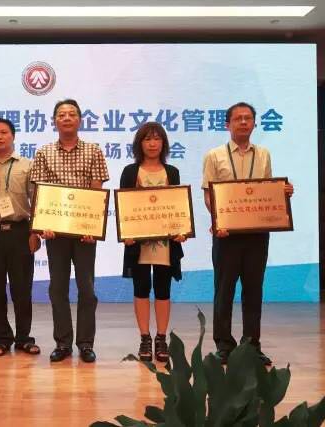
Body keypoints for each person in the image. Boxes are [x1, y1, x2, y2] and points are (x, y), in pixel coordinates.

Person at [202, 102, 294, 366]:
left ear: (254, 123)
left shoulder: (263, 154)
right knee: (224, 290)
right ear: (227, 124)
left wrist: (283, 193)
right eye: (238, 118)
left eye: (248, 118)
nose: (243, 122)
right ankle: (224, 346)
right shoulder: (214, 155)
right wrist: (218, 220)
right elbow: (209, 195)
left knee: (254, 290)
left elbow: (267, 190)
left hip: (257, 234)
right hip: (226, 235)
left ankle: (252, 346)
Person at [29, 99, 109, 363]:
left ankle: (85, 343)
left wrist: (93, 228)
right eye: (61, 114)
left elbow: (96, 192)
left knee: (87, 289)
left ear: (79, 120)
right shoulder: (44, 152)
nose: (66, 118)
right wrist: (42, 226)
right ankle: (63, 343)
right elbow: (39, 193)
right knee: (58, 288)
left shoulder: (93, 151)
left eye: (71, 114)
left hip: (84, 233)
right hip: (56, 234)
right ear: (54, 121)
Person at [0, 118, 42, 357]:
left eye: (4, 132)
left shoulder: (28, 165)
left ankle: (24, 338)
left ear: (13, 136)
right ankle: (0, 338)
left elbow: (37, 201)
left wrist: (35, 232)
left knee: (22, 289)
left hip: (20, 233)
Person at [120, 122, 187, 363]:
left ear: (164, 143)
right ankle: (144, 338)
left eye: (157, 139)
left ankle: (161, 338)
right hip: (138, 243)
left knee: (163, 289)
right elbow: (124, 206)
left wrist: (182, 231)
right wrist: (125, 232)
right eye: (147, 139)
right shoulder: (130, 171)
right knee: (140, 289)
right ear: (139, 144)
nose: (152, 143)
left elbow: (178, 206)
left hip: (166, 244)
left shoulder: (172, 172)